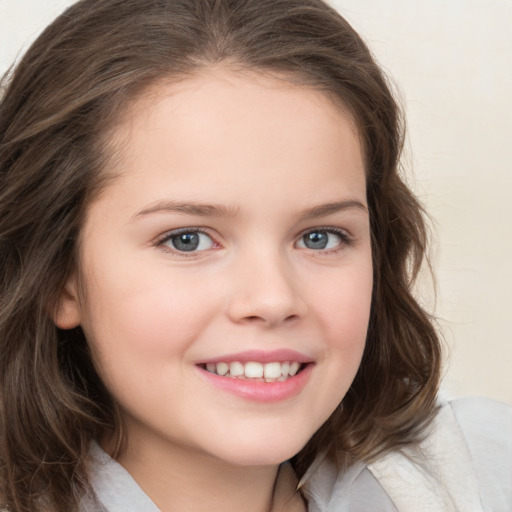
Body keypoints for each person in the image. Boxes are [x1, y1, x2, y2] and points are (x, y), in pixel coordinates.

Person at [0, 0, 510, 511]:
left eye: (320, 237)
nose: (272, 299)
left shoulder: (479, 471)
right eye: (188, 239)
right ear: (58, 276)